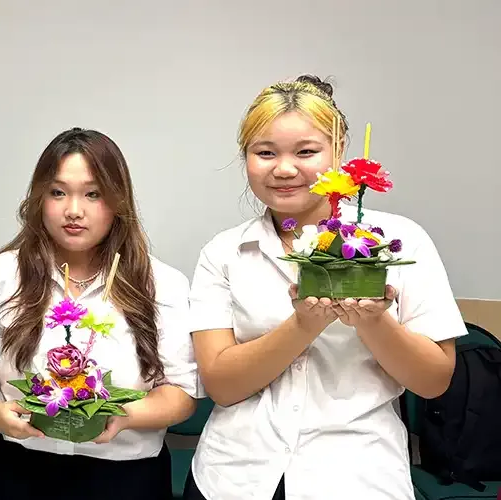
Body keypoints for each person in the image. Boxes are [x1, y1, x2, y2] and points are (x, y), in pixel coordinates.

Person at [184, 75, 467, 499]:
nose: (284, 169)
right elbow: (222, 386)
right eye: (265, 152)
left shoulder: (397, 243)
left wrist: (374, 320)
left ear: (339, 152)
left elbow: (433, 381)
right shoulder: (225, 252)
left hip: (357, 476)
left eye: (306, 152)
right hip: (234, 477)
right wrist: (304, 324)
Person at [0, 128, 199, 499]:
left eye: (93, 194)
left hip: (122, 478)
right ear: (39, 198)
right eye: (58, 192)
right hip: (6, 468)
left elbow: (179, 393)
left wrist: (124, 416)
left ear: (118, 201)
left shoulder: (164, 284)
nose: (74, 210)